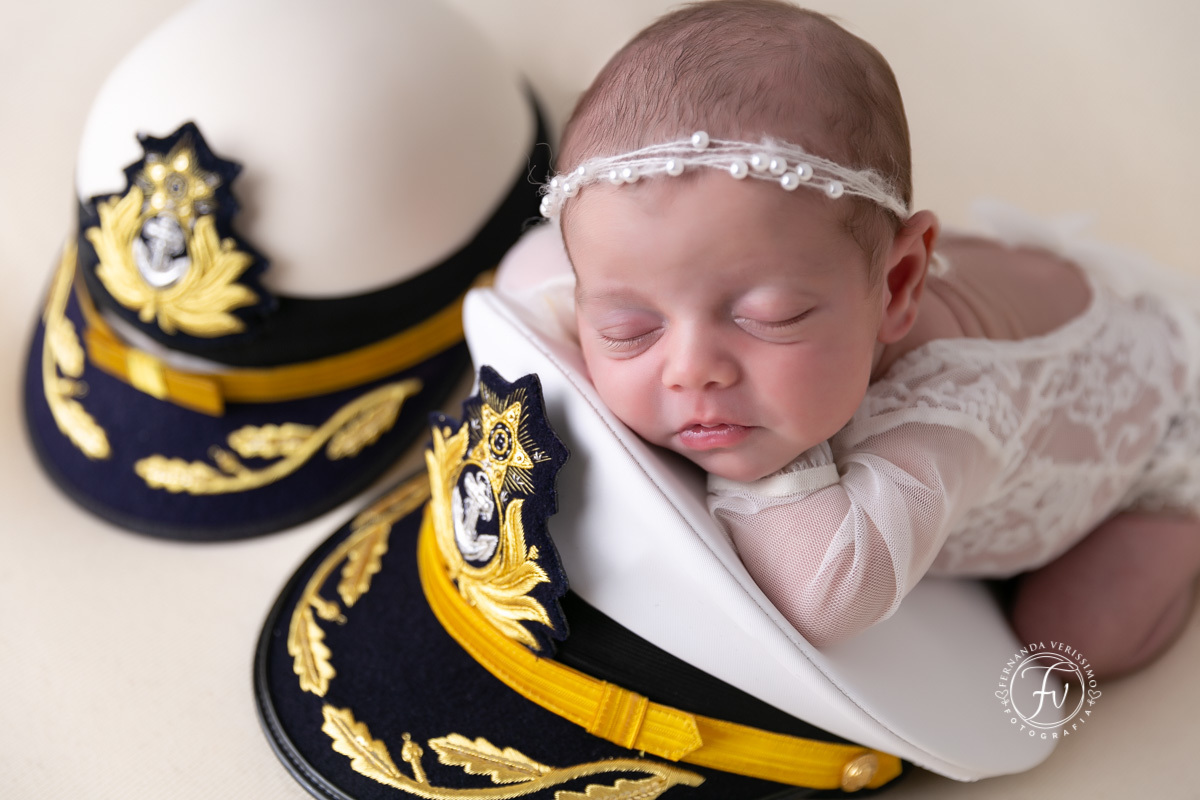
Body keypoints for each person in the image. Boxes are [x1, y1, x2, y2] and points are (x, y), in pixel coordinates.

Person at [518, 0, 1200, 677]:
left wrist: (765, 466)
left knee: (1070, 641)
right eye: (629, 328)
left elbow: (827, 595)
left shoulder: (953, 403)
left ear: (898, 286)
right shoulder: (771, 271)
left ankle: (1184, 524)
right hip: (996, 288)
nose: (691, 370)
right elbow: (530, 272)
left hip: (1158, 429)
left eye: (771, 317)